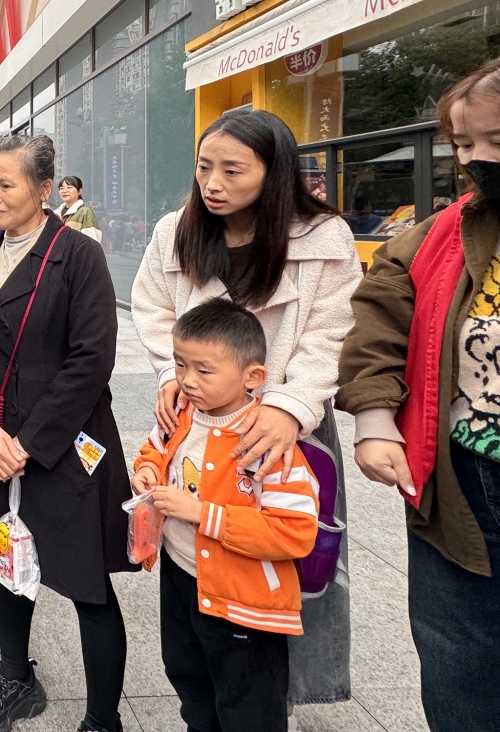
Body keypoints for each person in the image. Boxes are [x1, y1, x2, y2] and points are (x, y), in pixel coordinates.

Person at [337, 44, 500, 731]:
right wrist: (375, 417)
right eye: (464, 143)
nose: (476, 159)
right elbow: (380, 308)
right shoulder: (447, 229)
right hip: (461, 490)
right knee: (463, 680)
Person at [131, 108, 363, 708]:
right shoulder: (176, 231)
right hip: (200, 413)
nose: (213, 184)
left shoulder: (322, 238)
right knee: (195, 552)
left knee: (284, 554)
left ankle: (269, 695)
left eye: (233, 171)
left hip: (284, 422)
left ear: (274, 172)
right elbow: (154, 308)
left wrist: (288, 405)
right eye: (205, 167)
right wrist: (171, 373)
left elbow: (333, 330)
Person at [0, 134, 134, 732]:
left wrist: (27, 443)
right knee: (8, 560)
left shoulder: (79, 255)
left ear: (44, 189)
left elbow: (91, 360)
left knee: (88, 585)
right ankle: (15, 675)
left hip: (63, 443)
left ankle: (103, 719)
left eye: (7, 185)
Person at [132, 299, 319, 732]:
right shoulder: (182, 412)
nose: (186, 380)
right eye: (180, 365)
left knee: (247, 703)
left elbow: (293, 532)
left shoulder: (265, 440)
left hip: (244, 601)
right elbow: (156, 448)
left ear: (252, 376)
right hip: (181, 576)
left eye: (204, 369)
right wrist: (147, 469)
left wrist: (201, 514)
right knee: (189, 677)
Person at [57, 175, 102, 243]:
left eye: (69, 187)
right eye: (61, 188)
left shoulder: (85, 212)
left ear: (79, 191)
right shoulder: (56, 214)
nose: (64, 191)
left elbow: (91, 243)